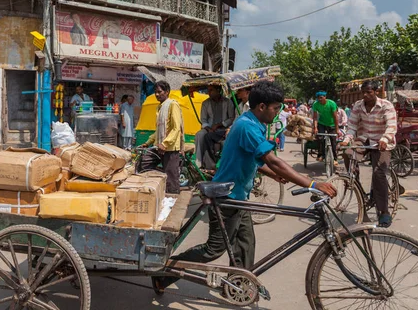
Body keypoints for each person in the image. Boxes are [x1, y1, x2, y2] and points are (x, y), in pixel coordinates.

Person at [152, 80, 337, 293]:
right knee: (214, 249)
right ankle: (163, 272)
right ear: (261, 107)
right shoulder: (247, 126)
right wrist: (313, 183)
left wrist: (274, 175)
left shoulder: (251, 122)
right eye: (275, 109)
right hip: (227, 196)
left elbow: (255, 159)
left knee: (245, 243)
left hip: (238, 196)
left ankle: (239, 285)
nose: (277, 114)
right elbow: (272, 160)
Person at [341, 80, 397, 228]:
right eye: (363, 92)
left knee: (378, 174)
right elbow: (352, 126)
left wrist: (385, 139)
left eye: (369, 92)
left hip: (382, 142)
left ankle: (384, 212)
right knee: (347, 153)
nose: (365, 95)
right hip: (364, 140)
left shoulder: (386, 105)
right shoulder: (358, 105)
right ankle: (355, 181)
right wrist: (347, 139)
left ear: (376, 92)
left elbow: (391, 126)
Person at [139, 81, 184, 194]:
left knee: (171, 177)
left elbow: (176, 128)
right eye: (155, 92)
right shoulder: (160, 107)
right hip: (158, 147)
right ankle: (153, 188)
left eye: (160, 92)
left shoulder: (172, 104)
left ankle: (173, 199)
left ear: (167, 92)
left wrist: (165, 143)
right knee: (144, 163)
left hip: (170, 148)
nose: (157, 95)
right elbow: (158, 131)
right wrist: (148, 142)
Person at [194, 85, 235, 169]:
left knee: (216, 139)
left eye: (211, 90)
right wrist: (209, 129)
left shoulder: (227, 102)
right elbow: (203, 120)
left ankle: (223, 165)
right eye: (208, 90)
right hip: (210, 128)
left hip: (224, 128)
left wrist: (220, 124)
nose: (209, 92)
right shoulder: (205, 103)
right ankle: (199, 163)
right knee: (200, 134)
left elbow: (231, 118)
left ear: (218, 90)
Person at [312, 91, 339, 165]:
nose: (319, 99)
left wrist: (337, 128)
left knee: (333, 140)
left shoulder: (331, 103)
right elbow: (315, 117)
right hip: (322, 123)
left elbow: (335, 117)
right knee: (320, 138)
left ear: (325, 97)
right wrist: (315, 127)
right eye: (318, 98)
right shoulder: (316, 104)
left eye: (321, 98)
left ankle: (335, 158)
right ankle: (321, 155)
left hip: (332, 124)